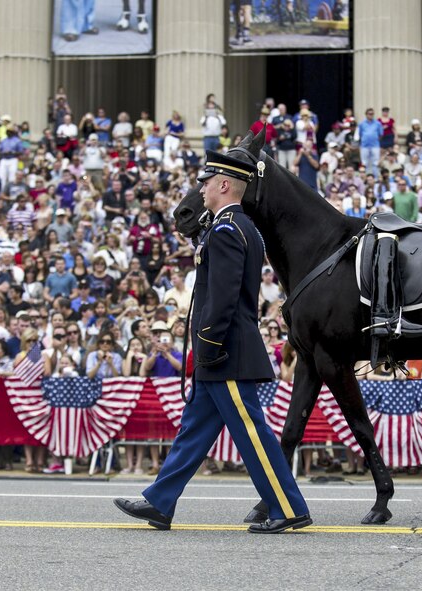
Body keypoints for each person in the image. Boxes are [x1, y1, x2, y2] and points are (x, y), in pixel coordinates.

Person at [114, 149, 311, 533]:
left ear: (224, 184)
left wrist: (207, 344)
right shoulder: (236, 227)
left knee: (251, 433)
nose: (201, 188)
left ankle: (288, 507)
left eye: (206, 181)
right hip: (222, 349)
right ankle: (160, 501)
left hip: (225, 350)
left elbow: (221, 299)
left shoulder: (226, 230)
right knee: (195, 429)